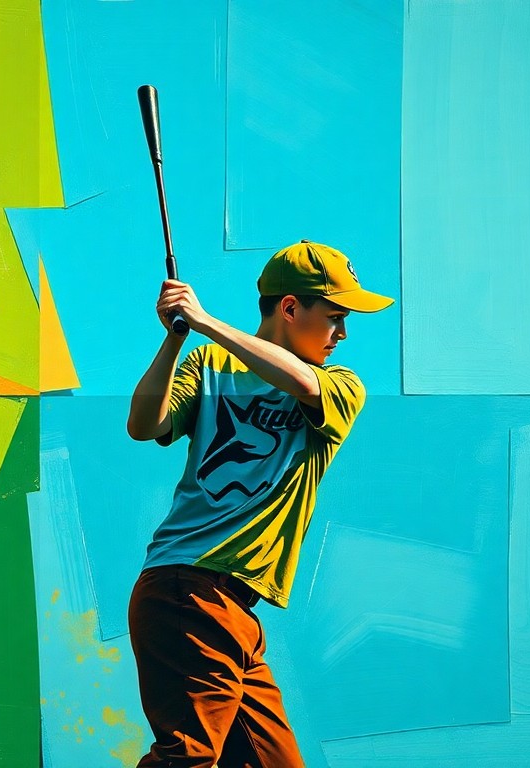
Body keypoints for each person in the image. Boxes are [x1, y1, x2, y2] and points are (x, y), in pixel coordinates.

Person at [125, 240, 393, 767]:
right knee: (189, 757)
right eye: (336, 317)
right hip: (189, 586)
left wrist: (204, 320)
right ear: (290, 308)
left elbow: (295, 380)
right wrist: (176, 339)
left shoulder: (341, 385)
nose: (343, 334)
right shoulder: (208, 361)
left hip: (235, 610)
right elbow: (144, 426)